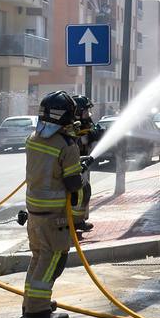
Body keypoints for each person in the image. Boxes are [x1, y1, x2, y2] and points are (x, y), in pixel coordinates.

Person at [21, 90, 85, 318]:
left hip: (34, 213)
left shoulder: (32, 138)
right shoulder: (67, 145)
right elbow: (73, 184)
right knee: (53, 261)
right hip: (53, 217)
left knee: (39, 257)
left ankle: (31, 303)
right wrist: (79, 168)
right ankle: (38, 312)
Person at [69, 95, 101, 233]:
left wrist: (95, 133)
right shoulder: (72, 126)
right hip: (73, 165)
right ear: (78, 112)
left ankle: (79, 220)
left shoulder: (85, 123)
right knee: (79, 193)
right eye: (86, 111)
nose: (88, 114)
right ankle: (76, 221)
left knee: (84, 192)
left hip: (83, 164)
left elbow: (92, 134)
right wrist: (88, 135)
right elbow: (78, 141)